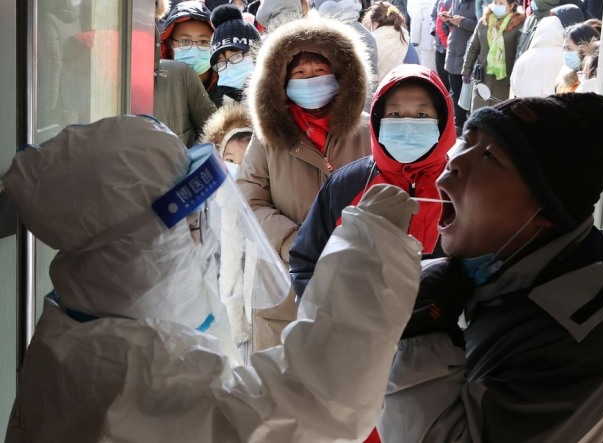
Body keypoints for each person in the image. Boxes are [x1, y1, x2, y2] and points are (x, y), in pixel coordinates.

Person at [3, 115, 424, 443]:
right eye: (188, 219)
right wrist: (370, 249)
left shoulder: (86, 323)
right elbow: (314, 407)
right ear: (134, 244)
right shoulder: (130, 374)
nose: (202, 235)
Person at [376, 93, 603, 442]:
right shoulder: (501, 278)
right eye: (468, 140)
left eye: (491, 156)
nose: (453, 165)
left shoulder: (586, 350)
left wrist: (421, 338)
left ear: (546, 210)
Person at [236, 17, 371, 350]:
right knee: (282, 383)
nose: (311, 80)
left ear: (341, 75)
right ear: (281, 82)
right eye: (299, 73)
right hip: (285, 280)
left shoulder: (369, 131)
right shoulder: (268, 139)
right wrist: (295, 243)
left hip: (355, 275)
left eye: (319, 71)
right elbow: (248, 200)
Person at [290, 64, 456, 300]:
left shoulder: (464, 190)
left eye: (421, 115)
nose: (407, 124)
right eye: (395, 114)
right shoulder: (345, 185)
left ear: (441, 121)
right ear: (379, 120)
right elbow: (306, 263)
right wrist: (334, 318)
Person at [462, 0, 524, 110]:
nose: (497, 6)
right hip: (482, 81)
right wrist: (466, 70)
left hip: (503, 83)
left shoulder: (518, 25)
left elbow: (519, 55)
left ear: (511, 5)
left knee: (499, 117)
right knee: (478, 115)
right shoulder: (484, 22)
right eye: (496, 2)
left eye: (501, 3)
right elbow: (473, 47)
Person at [160, 1, 220, 102]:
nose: (194, 49)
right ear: (169, 46)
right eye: (184, 41)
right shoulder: (156, 88)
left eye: (203, 41)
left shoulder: (226, 90)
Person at [208, 4, 261, 106]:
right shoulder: (214, 106)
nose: (229, 68)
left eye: (236, 56)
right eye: (220, 64)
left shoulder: (288, 97)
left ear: (258, 54)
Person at [441, 0, 477, 135]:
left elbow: (481, 25)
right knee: (455, 92)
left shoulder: (478, 3)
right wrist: (448, 18)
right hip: (453, 54)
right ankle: (459, 124)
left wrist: (462, 22)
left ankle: (467, 126)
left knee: (467, 94)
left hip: (467, 54)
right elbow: (454, 20)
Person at [363, 2, 419, 83]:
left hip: (380, 93)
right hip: (408, 89)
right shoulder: (406, 40)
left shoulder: (371, 43)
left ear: (374, 23)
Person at [509, 15, 564, 97]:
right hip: (557, 105)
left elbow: (515, 85)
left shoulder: (525, 57)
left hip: (528, 105)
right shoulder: (564, 56)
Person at [556, 21, 600, 93]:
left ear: (585, 48)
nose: (565, 53)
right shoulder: (564, 80)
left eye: (569, 48)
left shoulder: (593, 80)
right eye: (564, 48)